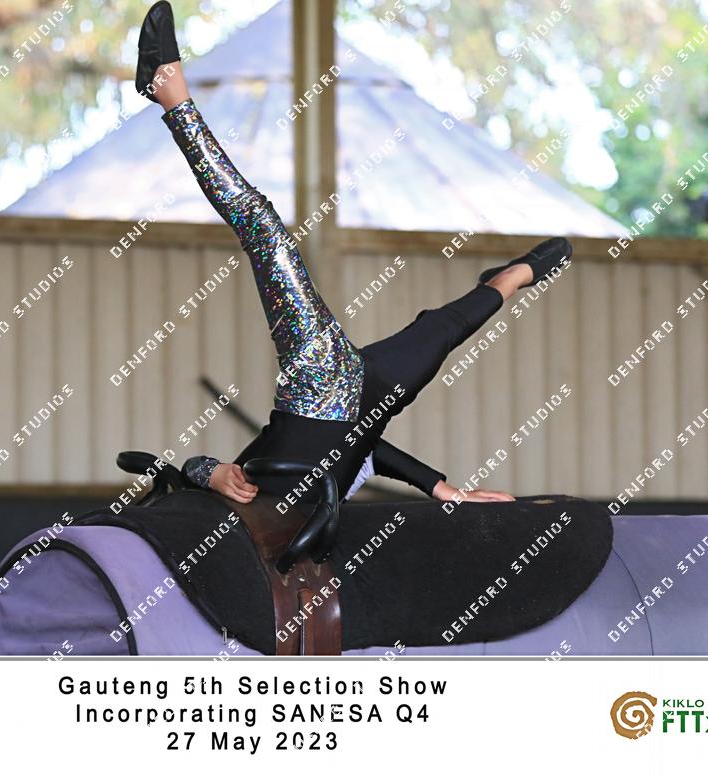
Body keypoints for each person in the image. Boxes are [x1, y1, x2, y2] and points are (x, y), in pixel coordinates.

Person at [135, 1, 570, 506]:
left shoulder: (249, 492)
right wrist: (443, 488)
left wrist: (207, 472)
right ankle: (511, 277)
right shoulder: (330, 484)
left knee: (262, 226)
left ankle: (171, 96)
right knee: (442, 328)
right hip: (367, 400)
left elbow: (194, 470)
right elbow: (368, 447)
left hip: (316, 380)